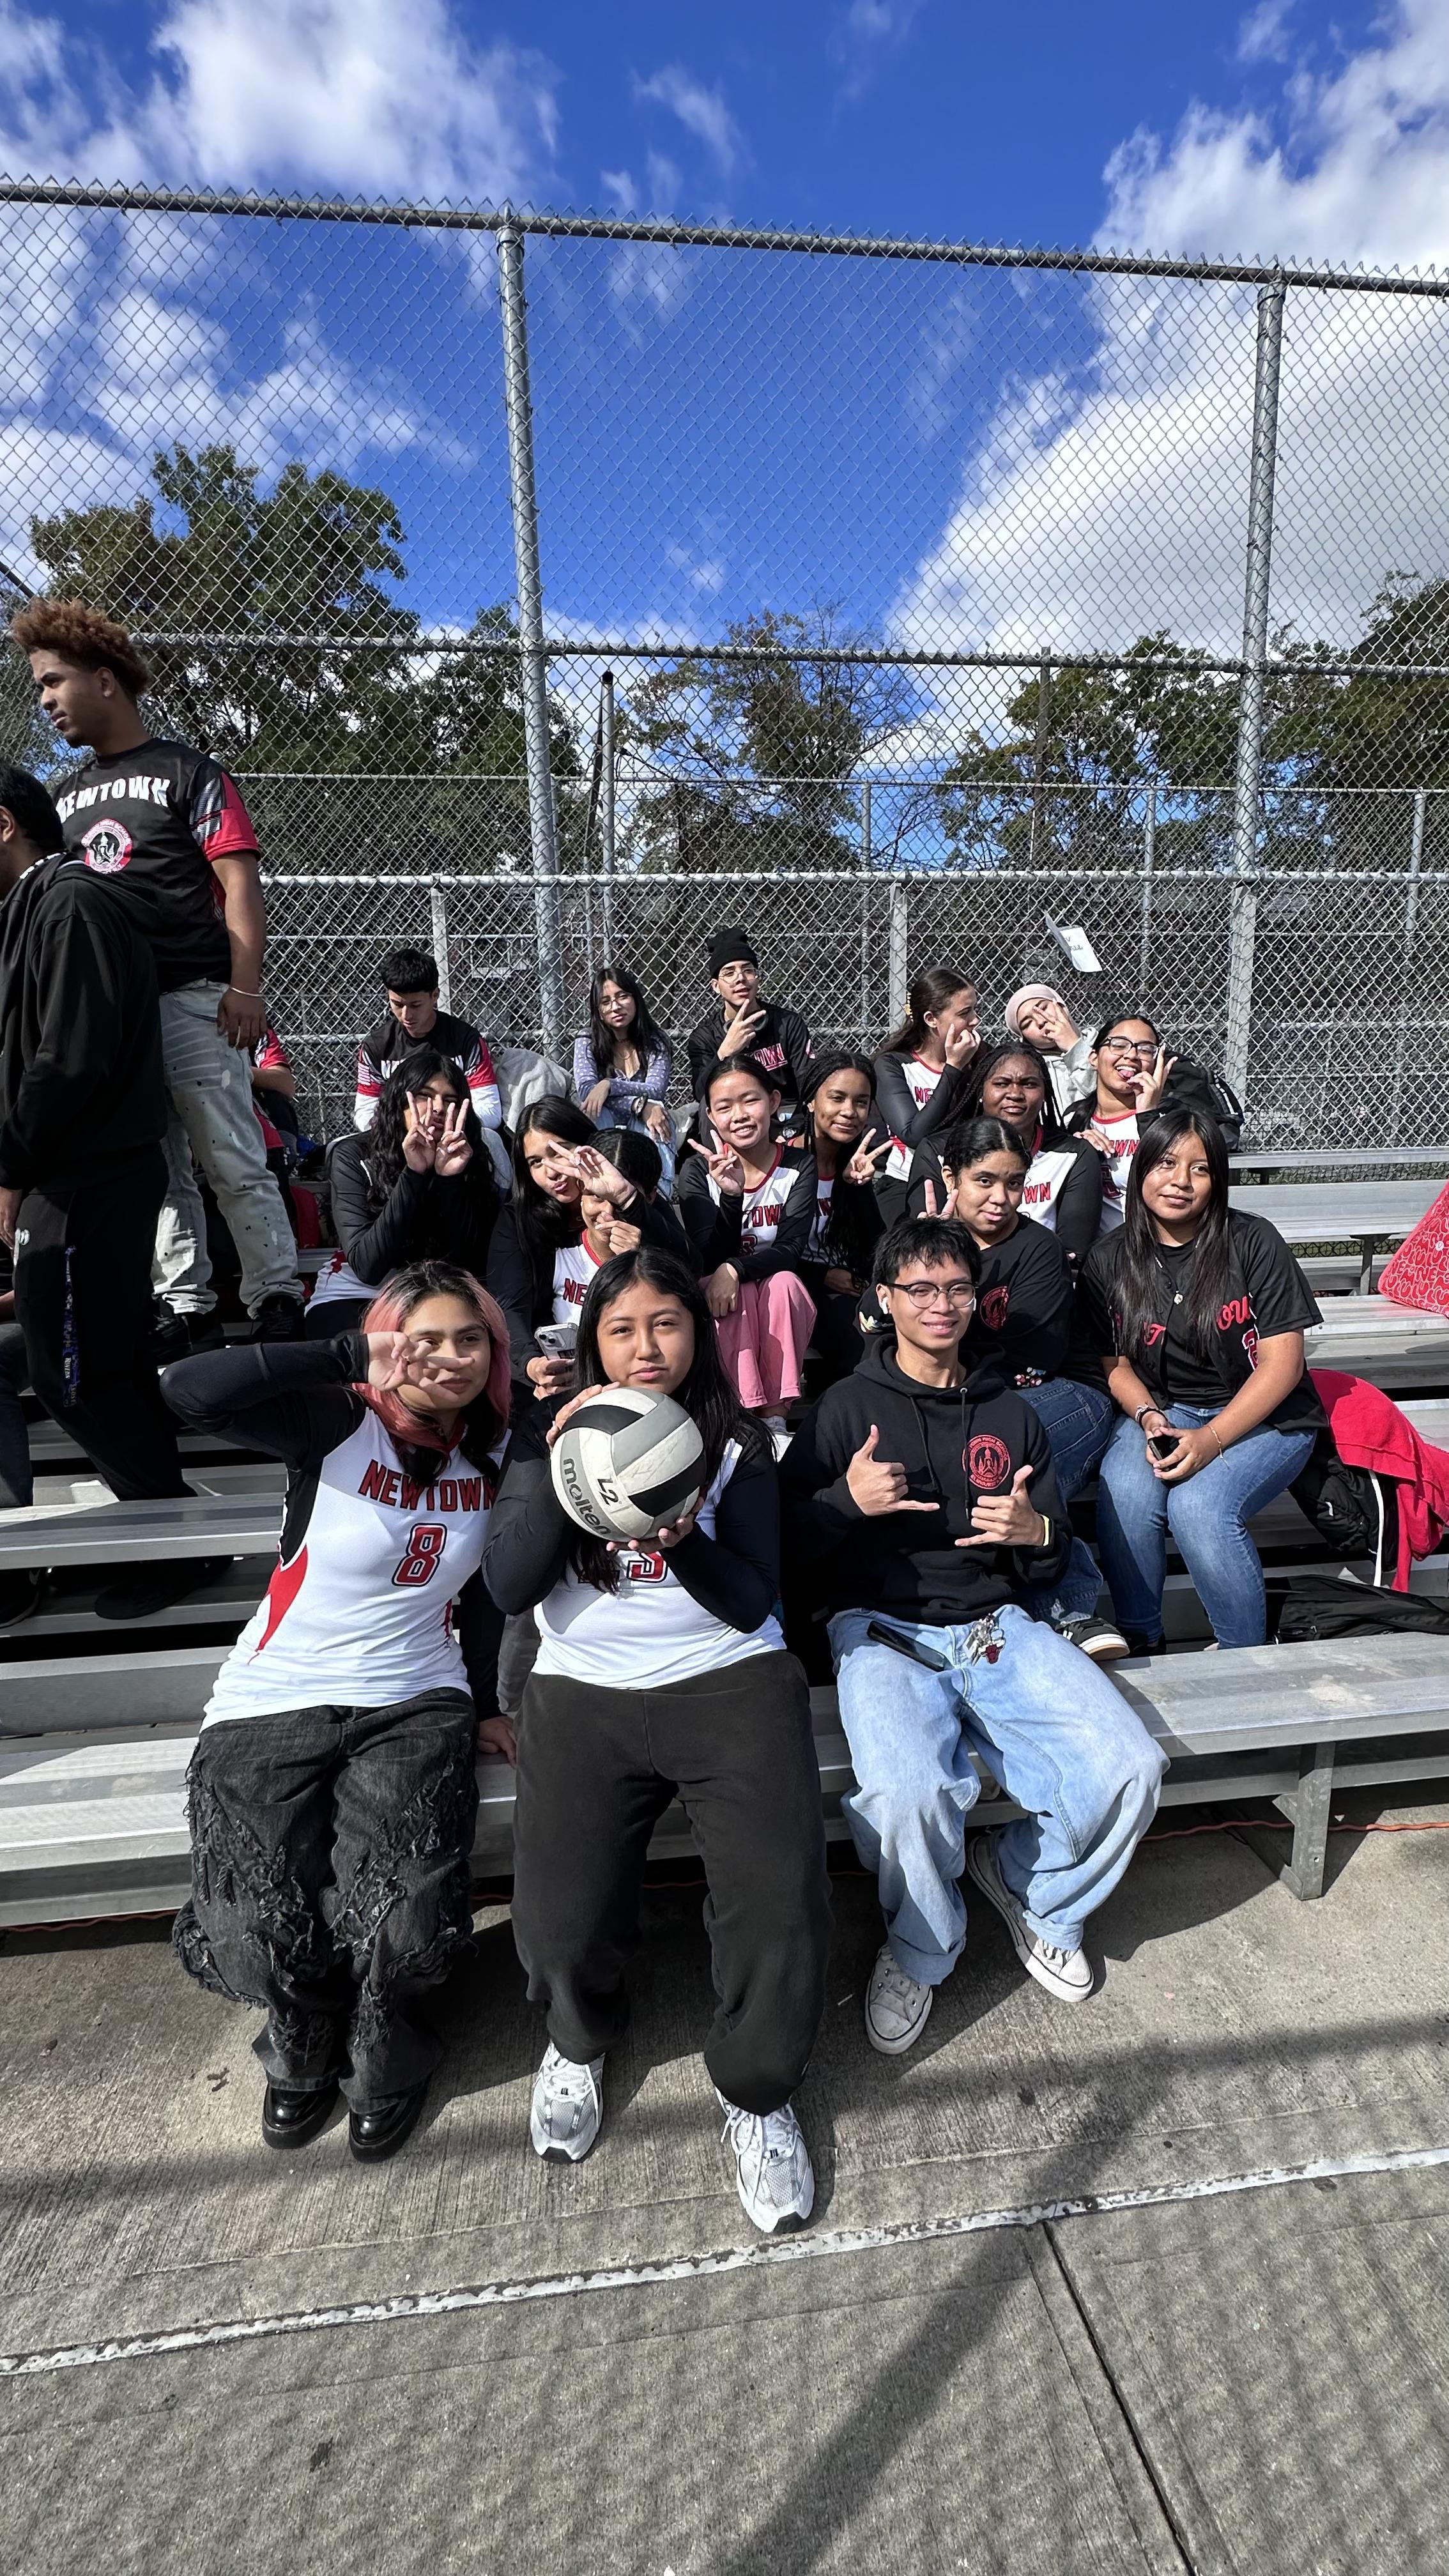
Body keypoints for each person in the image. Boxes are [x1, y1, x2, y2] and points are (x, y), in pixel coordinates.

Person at [482, 1244, 831, 2234]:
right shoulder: (548, 1436)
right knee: (557, 1921)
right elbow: (508, 1586)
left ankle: (756, 2090)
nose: (647, 1347)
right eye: (623, 1328)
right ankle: (577, 2040)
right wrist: (569, 1472)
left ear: (698, 1332)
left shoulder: (736, 1445)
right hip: (582, 1685)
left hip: (727, 1676)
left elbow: (751, 1601)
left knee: (780, 1903)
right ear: (593, 1340)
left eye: (667, 1324)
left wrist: (681, 1539)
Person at [780, 1216, 1165, 2055]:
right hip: (881, 1635)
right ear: (886, 1299)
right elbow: (784, 1547)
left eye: (956, 1287)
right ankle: (922, 1948)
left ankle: (1033, 1888)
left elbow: (1052, 1551)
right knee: (907, 1795)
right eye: (919, 1288)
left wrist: (1035, 1534)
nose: (940, 1304)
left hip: (998, 1627)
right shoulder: (844, 1409)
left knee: (1129, 1767)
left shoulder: (1010, 1412)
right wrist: (846, 1504)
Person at [164, 1261, 514, 2162]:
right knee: (248, 1929)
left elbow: (483, 1596)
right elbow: (187, 1392)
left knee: (401, 1921)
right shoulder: (337, 1421)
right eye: (426, 1339)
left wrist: (484, 1701)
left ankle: (385, 2052)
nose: (450, 1358)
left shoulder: (498, 1447)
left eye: (469, 1340)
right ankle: (303, 2029)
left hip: (416, 1697)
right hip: (274, 1694)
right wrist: (347, 1355)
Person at [14, 598, 305, 1350]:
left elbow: (238, 884)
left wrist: (245, 987)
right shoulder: (62, 797)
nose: (44, 700)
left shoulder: (190, 772)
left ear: (105, 680)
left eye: (53, 681)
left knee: (230, 1154)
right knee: (159, 1167)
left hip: (192, 998)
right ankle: (186, 1306)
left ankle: (275, 1296)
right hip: (114, 1018)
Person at [1081, 1108, 1323, 1653]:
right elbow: (1114, 1363)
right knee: (1126, 1494)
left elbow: (1283, 1365)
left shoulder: (1253, 1240)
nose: (1180, 1182)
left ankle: (1243, 1657)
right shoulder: (1109, 1258)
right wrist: (1147, 1415)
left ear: (1218, 1181)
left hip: (1266, 1416)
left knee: (1199, 1509)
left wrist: (1211, 1440)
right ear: (1142, 1168)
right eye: (1166, 1164)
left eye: (1200, 1169)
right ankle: (1143, 1644)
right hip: (1165, 1407)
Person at [910, 1117, 1123, 1657]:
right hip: (977, 1401)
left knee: (1001, 1452)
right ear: (951, 1177)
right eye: (984, 1180)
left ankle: (1070, 1611)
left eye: (1014, 1183)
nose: (1001, 1198)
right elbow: (877, 1326)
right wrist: (923, 1254)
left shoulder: (1038, 1248)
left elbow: (1032, 1360)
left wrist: (948, 1381)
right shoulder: (923, 1247)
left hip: (1069, 1394)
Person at [486, 1097, 680, 1404]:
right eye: (536, 1162)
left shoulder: (630, 1195)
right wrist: (531, 1363)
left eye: (560, 1152)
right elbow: (510, 1305)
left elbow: (687, 1263)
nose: (551, 1171)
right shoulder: (519, 1220)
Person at [308, 1050, 502, 1340]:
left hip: (438, 1292)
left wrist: (449, 1180)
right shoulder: (353, 1155)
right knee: (369, 1352)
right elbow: (368, 1267)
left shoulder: (473, 1155)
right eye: (425, 1096)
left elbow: (470, 1264)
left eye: (450, 1100)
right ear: (400, 1102)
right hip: (359, 1292)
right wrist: (414, 1174)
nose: (438, 1108)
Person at [677, 1054, 818, 1431]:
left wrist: (736, 1268)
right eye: (724, 1107)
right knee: (731, 1290)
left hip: (773, 1287)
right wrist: (732, 1196)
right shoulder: (696, 1170)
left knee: (784, 1284)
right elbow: (708, 1256)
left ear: (773, 1102)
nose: (739, 1115)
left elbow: (790, 1250)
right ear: (710, 1116)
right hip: (719, 1291)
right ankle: (738, 1414)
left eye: (750, 1100)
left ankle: (775, 1418)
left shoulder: (799, 1165)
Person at [354, 946, 503, 1150]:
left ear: (435, 996)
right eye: (397, 1004)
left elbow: (490, 1111)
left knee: (491, 1140)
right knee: (339, 1148)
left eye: (415, 1005)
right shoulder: (376, 1047)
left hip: (455, 1138)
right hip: (399, 1141)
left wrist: (444, 1128)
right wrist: (409, 1127)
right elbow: (365, 1114)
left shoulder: (466, 1041)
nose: (406, 1015)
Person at [797, 1052, 888, 1386]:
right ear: (811, 1101)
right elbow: (763, 1246)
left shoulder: (855, 1163)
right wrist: (821, 1275)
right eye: (837, 1098)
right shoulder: (783, 1159)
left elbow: (875, 1245)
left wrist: (854, 1188)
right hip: (796, 1287)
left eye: (861, 1102)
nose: (850, 1111)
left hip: (849, 1286)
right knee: (862, 1344)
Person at [686, 928, 813, 1124]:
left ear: (757, 979)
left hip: (786, 1118)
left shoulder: (788, 1023)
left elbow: (809, 1083)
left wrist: (793, 1129)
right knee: (705, 1110)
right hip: (736, 1121)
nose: (740, 978)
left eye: (748, 970)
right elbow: (701, 1093)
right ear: (716, 986)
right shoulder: (704, 1037)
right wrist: (725, 1052)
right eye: (729, 973)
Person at [873, 965, 983, 1181]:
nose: (975, 1020)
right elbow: (914, 1135)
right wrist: (953, 1069)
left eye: (975, 1010)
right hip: (908, 1180)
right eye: (964, 1013)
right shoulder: (893, 1065)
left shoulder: (980, 1059)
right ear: (931, 1019)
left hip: (967, 1182)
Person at [572, 963, 676, 1190]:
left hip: (644, 1125)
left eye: (622, 997)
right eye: (606, 1001)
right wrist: (638, 1105)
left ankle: (659, 1193)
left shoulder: (657, 1041)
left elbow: (656, 1089)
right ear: (598, 1010)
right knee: (594, 1110)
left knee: (658, 1111)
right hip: (605, 1121)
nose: (615, 1007)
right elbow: (588, 1092)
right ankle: (598, 1189)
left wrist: (608, 1085)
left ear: (635, 999)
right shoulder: (587, 1040)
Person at [1004, 985, 1095, 1119]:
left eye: (1043, 1008)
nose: (1041, 1021)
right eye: (1027, 1023)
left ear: (1061, 1006)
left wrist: (1074, 1047)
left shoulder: (1104, 1044)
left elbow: (1112, 1096)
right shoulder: (1032, 1071)